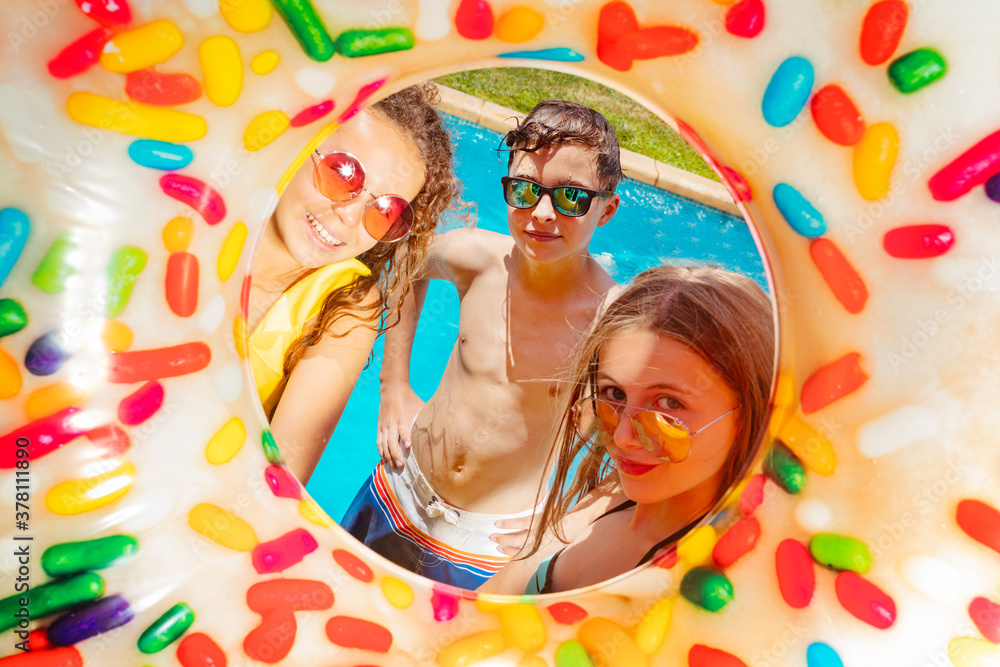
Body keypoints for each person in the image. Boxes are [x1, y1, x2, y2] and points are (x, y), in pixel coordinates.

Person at [339, 100, 624, 588]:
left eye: (571, 198)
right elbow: (411, 262)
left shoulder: (613, 321)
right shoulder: (478, 258)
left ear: (608, 208)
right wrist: (394, 385)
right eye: (524, 189)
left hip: (484, 544)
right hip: (398, 488)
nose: (542, 213)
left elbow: (645, 443)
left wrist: (572, 518)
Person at [480, 265, 775, 595]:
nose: (621, 437)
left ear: (751, 411)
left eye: (669, 404)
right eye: (615, 394)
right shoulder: (620, 489)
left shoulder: (709, 586)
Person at [247, 83, 461, 484]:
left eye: (385, 211)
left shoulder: (346, 306)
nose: (349, 216)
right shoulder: (197, 219)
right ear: (295, 146)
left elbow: (278, 481)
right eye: (343, 174)